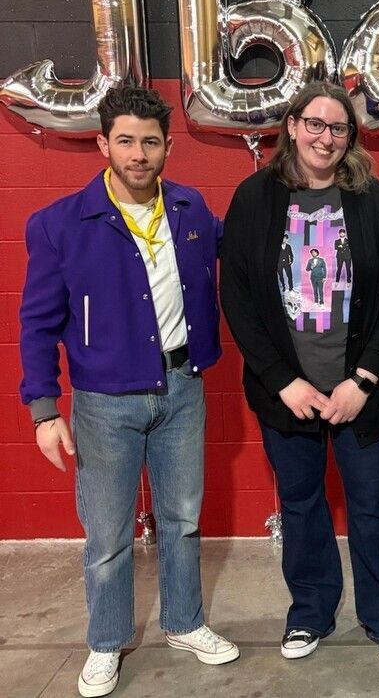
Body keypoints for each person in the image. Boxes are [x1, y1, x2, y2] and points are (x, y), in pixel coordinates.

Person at [18, 86, 239, 698]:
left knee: (182, 519)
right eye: (125, 140)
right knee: (109, 533)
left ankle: (185, 623)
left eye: (149, 141)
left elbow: (243, 260)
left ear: (168, 145)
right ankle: (106, 641)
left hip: (182, 387)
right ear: (103, 143)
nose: (138, 154)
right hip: (103, 402)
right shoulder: (60, 225)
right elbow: (37, 323)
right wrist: (43, 409)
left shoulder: (193, 212)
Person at [219, 81, 379, 662]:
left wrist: (363, 380)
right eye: (315, 124)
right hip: (287, 394)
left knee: (373, 503)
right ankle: (310, 614)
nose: (325, 138)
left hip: (361, 395)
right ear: (292, 126)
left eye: (338, 128)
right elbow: (238, 297)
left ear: (350, 137)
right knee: (301, 504)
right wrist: (282, 378)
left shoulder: (374, 201)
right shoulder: (254, 198)